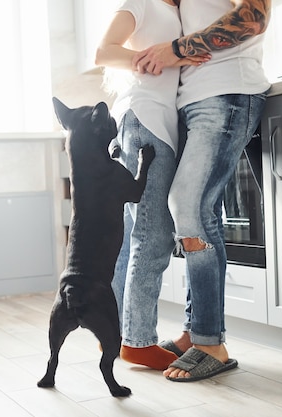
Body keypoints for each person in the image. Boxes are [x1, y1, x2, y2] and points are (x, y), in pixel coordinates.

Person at [131, 0, 272, 381]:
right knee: (191, 212)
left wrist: (175, 49)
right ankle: (196, 332)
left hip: (227, 94)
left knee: (189, 207)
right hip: (193, 102)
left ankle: (211, 342)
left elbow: (255, 17)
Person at [95, 0, 211, 371]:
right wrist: (161, 57)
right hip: (145, 121)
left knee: (132, 236)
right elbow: (104, 51)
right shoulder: (141, 3)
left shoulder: (177, 11)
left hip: (148, 122)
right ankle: (138, 340)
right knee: (154, 235)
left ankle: (113, 334)